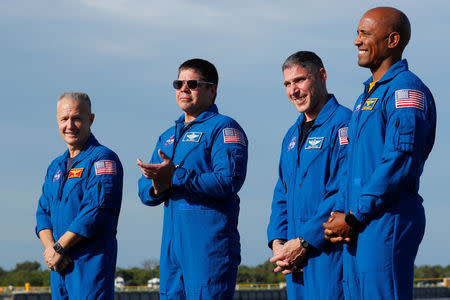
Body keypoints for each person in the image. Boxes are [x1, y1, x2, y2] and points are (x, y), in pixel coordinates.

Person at [323, 7, 436, 300]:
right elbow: (351, 165)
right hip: (359, 222)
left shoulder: (405, 90)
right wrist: (342, 212)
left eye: (365, 34)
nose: (356, 41)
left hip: (386, 219)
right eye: (357, 34)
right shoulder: (365, 98)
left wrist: (354, 216)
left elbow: (399, 160)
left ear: (392, 40)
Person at [138, 58, 248, 299]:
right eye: (179, 83)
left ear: (212, 89)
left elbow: (228, 180)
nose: (183, 89)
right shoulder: (168, 136)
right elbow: (145, 189)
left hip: (208, 246)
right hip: (172, 248)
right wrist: (158, 186)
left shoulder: (224, 128)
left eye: (192, 83)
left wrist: (175, 176)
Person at [267, 51, 351, 299]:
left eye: (300, 80)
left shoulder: (344, 124)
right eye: (287, 84)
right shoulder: (291, 136)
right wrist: (278, 242)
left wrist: (305, 241)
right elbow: (281, 192)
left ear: (322, 76)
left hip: (329, 253)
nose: (294, 90)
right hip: (294, 259)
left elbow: (342, 191)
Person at [36, 92, 123, 299]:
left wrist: (59, 247)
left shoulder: (102, 159)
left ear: (90, 119)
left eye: (76, 118)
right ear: (57, 121)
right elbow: (42, 212)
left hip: (90, 263)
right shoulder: (55, 166)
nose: (70, 125)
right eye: (64, 119)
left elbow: (95, 210)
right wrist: (52, 250)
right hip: (59, 265)